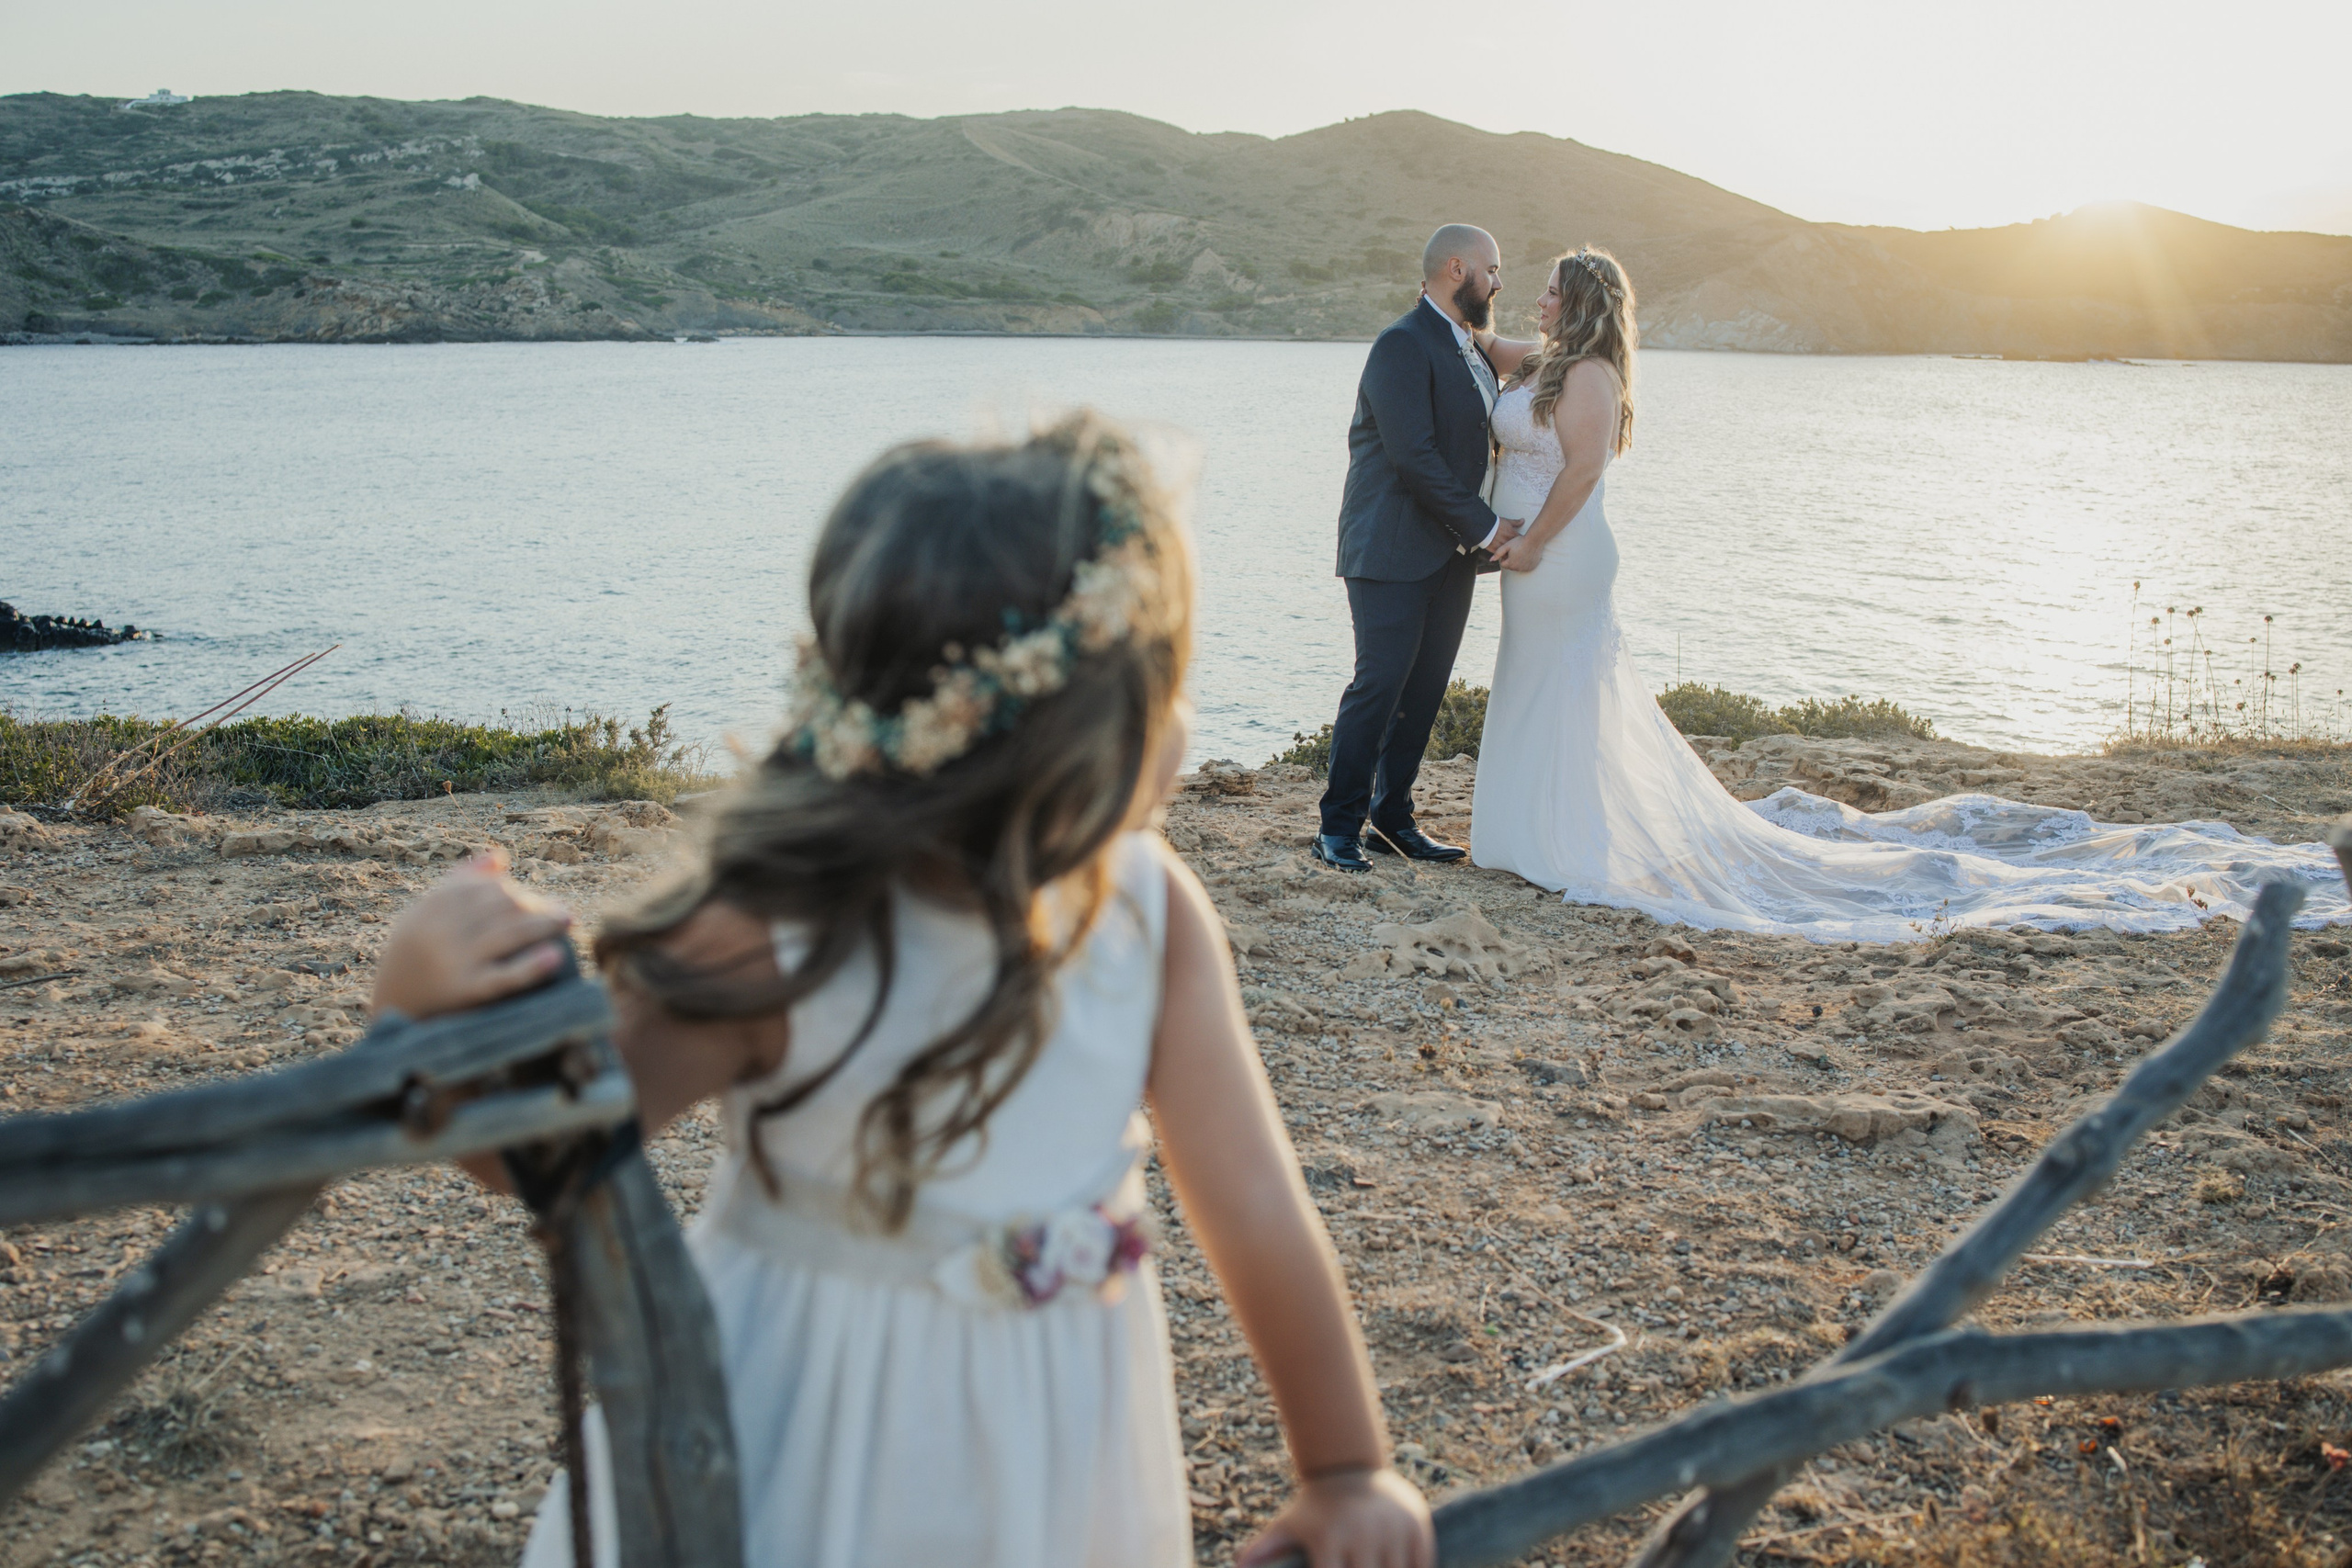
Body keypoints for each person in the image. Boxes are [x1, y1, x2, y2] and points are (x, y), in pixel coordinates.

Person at [369, 414, 1434, 1568]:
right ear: (1079, 729)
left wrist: (1345, 1467)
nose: (1183, 723)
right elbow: (541, 1157)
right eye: (1168, 687)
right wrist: (411, 1010)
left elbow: (1259, 1208)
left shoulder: (1148, 909)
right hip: (796, 1430)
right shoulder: (778, 927)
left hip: (1050, 1445)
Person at [1464, 246, 2351, 940]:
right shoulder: (1548, 361)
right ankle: (1529, 834)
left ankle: (1564, 843)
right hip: (1529, 558)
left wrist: (1531, 542)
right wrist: (1449, 317)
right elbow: (1476, 343)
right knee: (1535, 683)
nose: (1536, 300)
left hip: (1562, 557)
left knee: (1566, 689)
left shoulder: (1589, 375)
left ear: (1582, 304)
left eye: (1550, 291)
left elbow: (1581, 472)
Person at [1313, 222, 1520, 874]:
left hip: (1451, 553)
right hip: (1390, 547)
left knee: (1425, 689)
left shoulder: (1470, 347)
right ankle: (1337, 827)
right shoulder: (1401, 344)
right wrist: (1487, 527)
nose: (1498, 282)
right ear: (1458, 269)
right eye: (1492, 269)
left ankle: (1392, 820)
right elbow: (1414, 457)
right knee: (1379, 686)